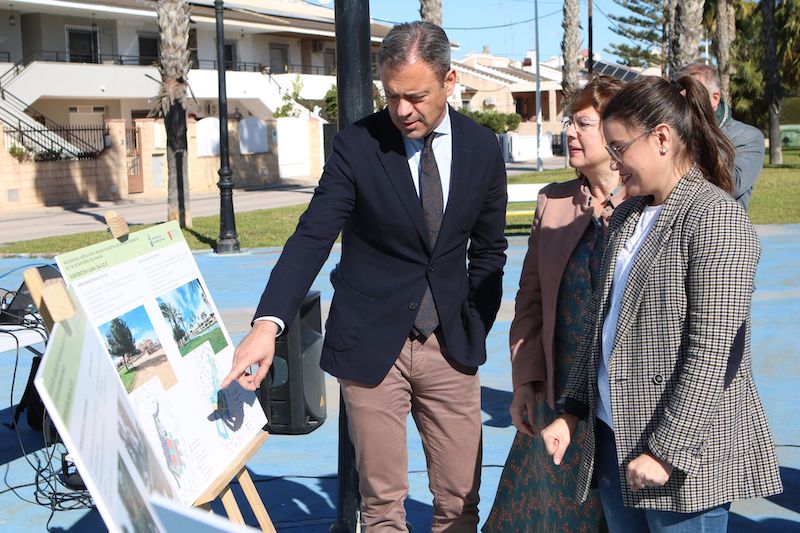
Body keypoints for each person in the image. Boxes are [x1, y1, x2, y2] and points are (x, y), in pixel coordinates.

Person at [221, 21, 508, 532]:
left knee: (460, 502)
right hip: (372, 347)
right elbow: (312, 236)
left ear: (449, 81)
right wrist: (267, 325)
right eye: (391, 96)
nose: (402, 110)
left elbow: (489, 252)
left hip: (451, 347)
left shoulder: (482, 148)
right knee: (381, 508)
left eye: (416, 96)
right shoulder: (357, 145)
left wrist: (473, 325)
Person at [541, 75, 783, 532]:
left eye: (619, 148)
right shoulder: (628, 214)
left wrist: (666, 450)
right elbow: (600, 322)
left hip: (680, 456)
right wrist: (572, 411)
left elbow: (713, 351)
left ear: (662, 139)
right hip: (615, 439)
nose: (613, 161)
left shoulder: (715, 216)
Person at [483, 75, 625, 533]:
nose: (570, 133)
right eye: (569, 122)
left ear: (618, 131)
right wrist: (525, 381)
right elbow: (530, 302)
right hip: (558, 391)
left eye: (583, 123)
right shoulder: (554, 201)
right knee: (550, 512)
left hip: (623, 396)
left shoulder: (648, 203)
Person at [674, 63, 765, 209]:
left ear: (714, 98)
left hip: (717, 220)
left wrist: (698, 135)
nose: (680, 101)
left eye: (692, 93)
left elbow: (732, 186)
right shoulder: (666, 132)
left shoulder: (747, 136)